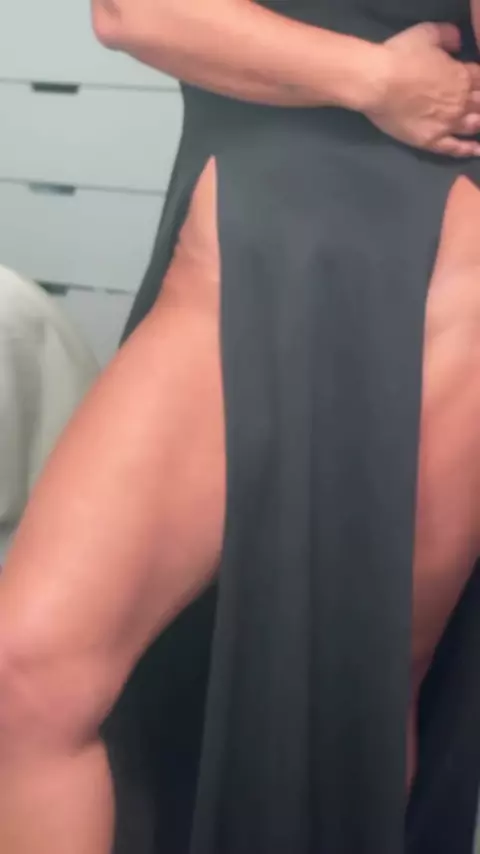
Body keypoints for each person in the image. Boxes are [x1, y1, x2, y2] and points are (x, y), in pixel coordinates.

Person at [1, 0, 480, 851]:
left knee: (355, 701)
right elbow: (132, 11)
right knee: (29, 673)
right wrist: (371, 76)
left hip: (430, 250)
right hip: (235, 233)